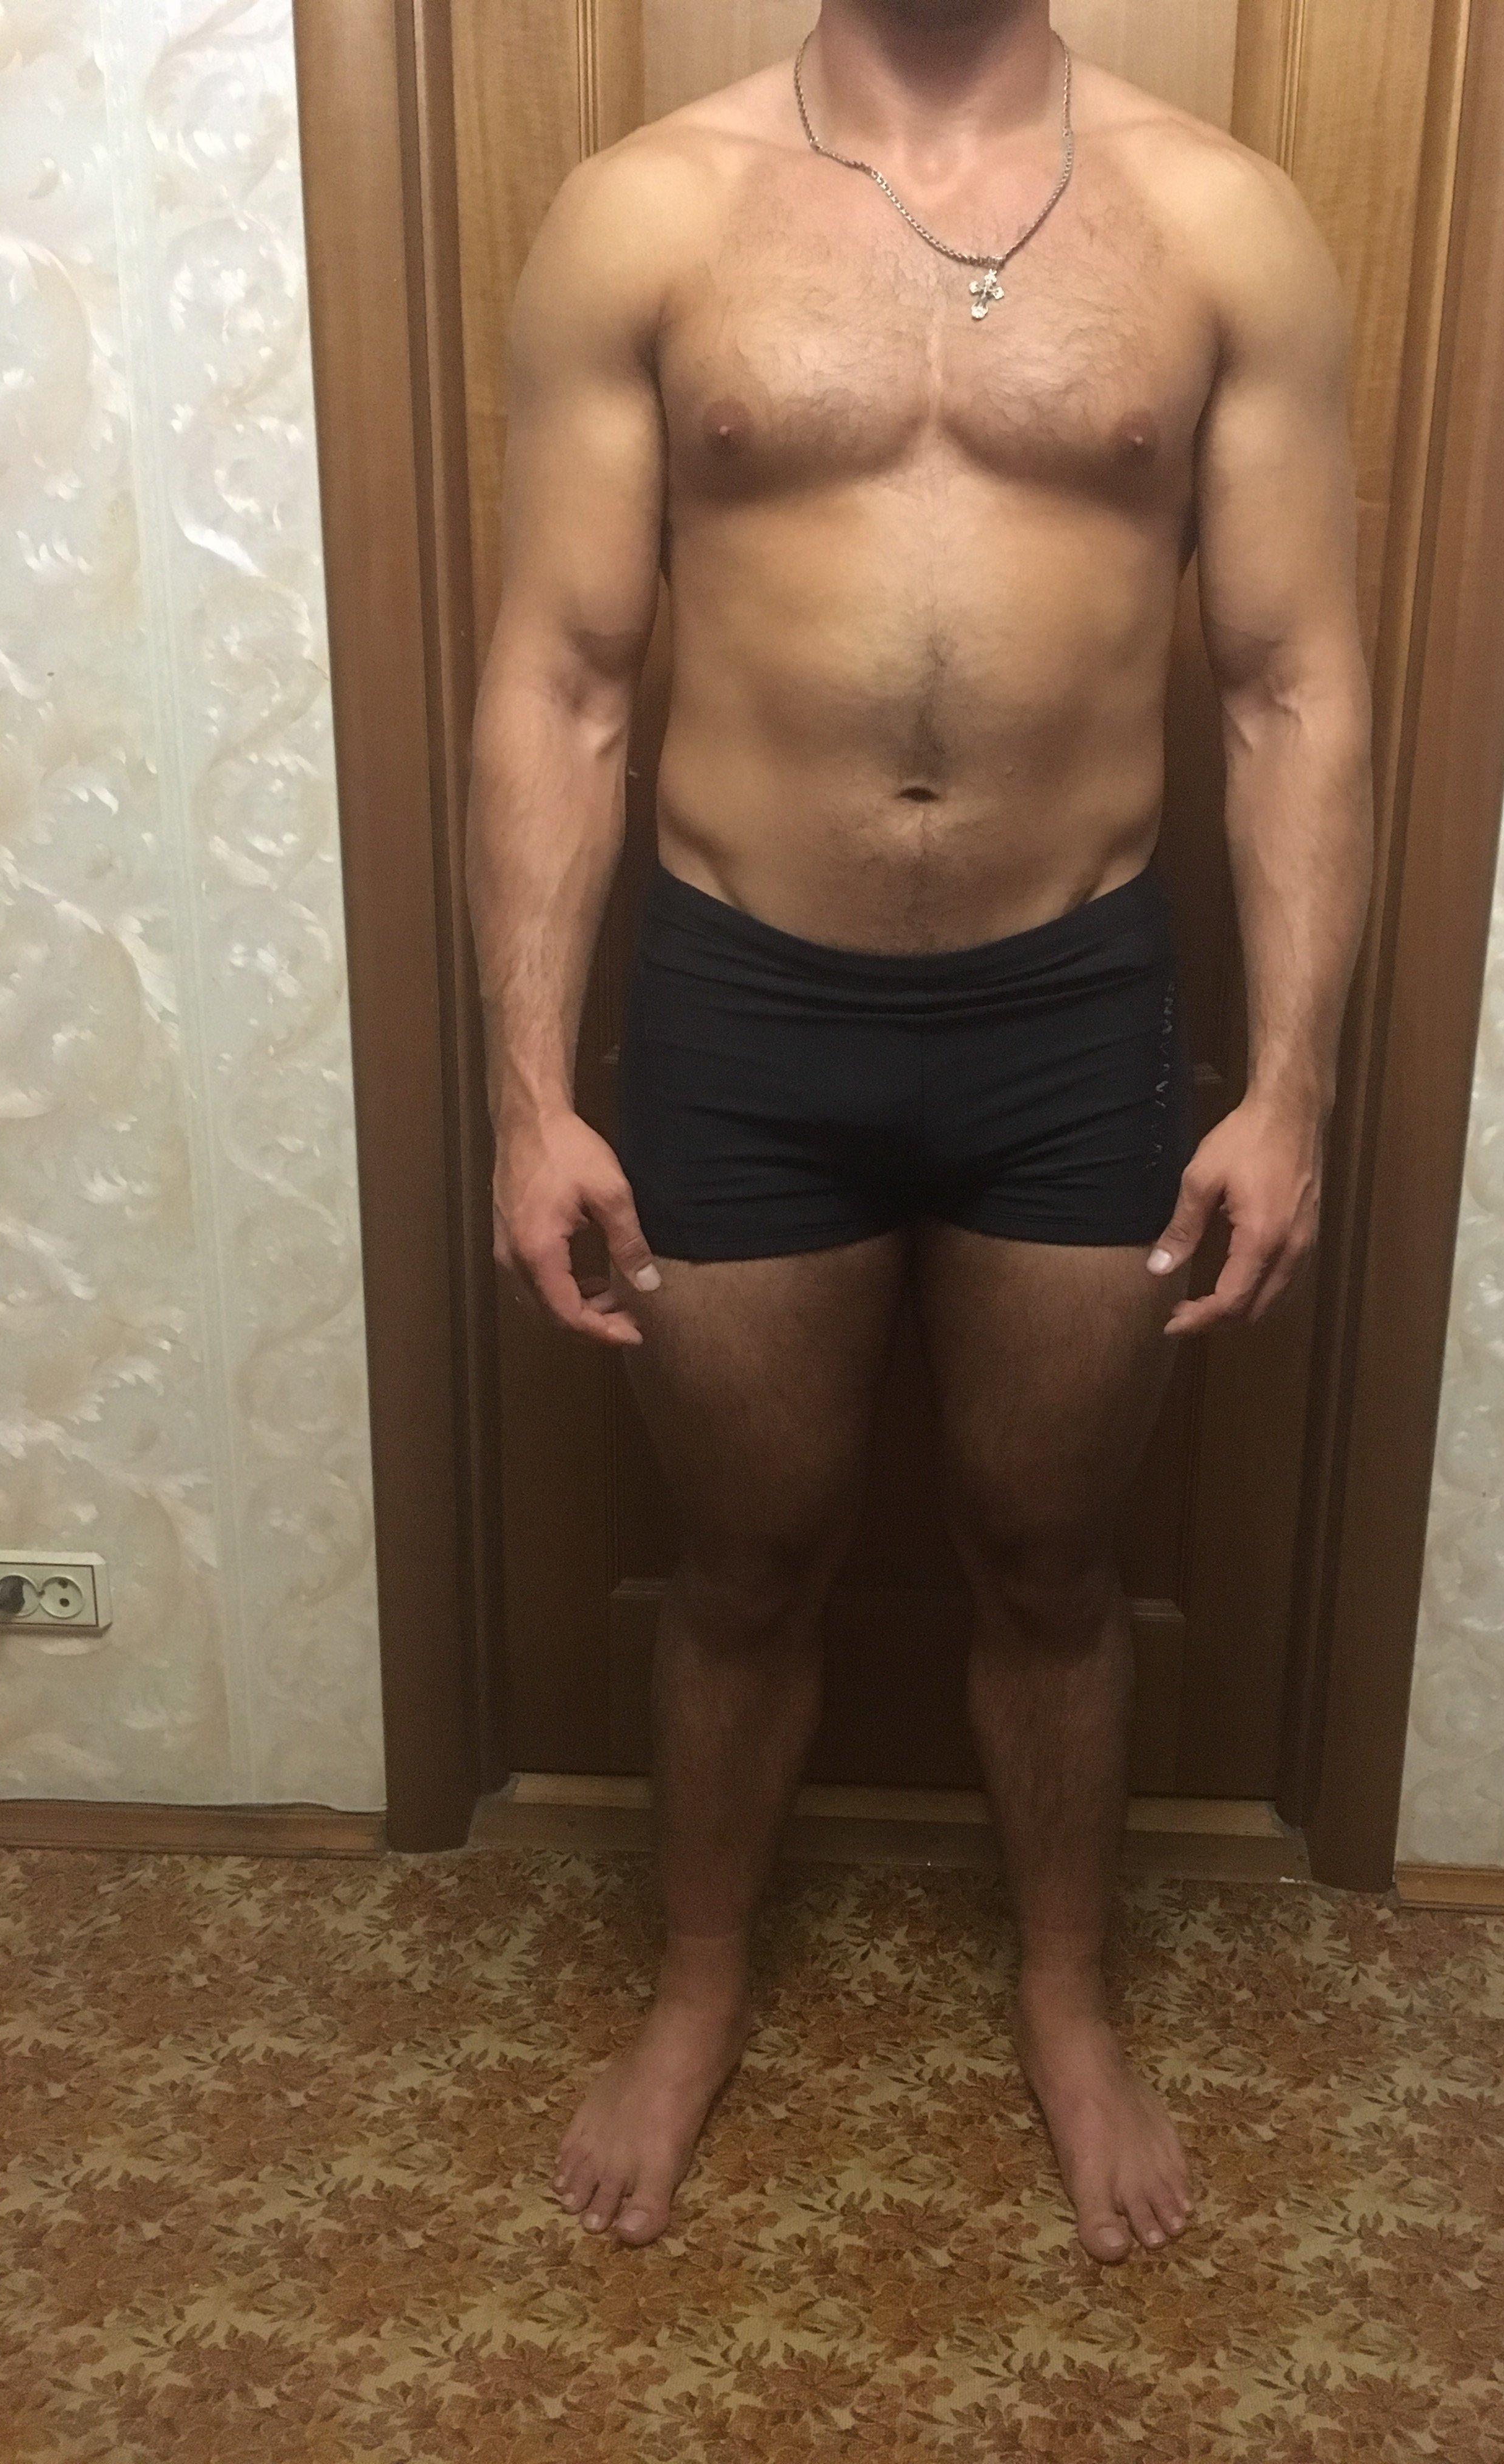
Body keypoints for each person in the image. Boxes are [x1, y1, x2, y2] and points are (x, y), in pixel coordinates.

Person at [465, 0, 1373, 2266]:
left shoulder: (1219, 222)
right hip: (741, 1002)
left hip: (1072, 1008)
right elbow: (562, 678)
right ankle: (696, 1987)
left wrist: (1291, 1086)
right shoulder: (649, 214)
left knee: (1052, 1560)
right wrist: (529, 1094)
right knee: (744, 1560)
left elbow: (1291, 685)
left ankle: (1069, 2001)